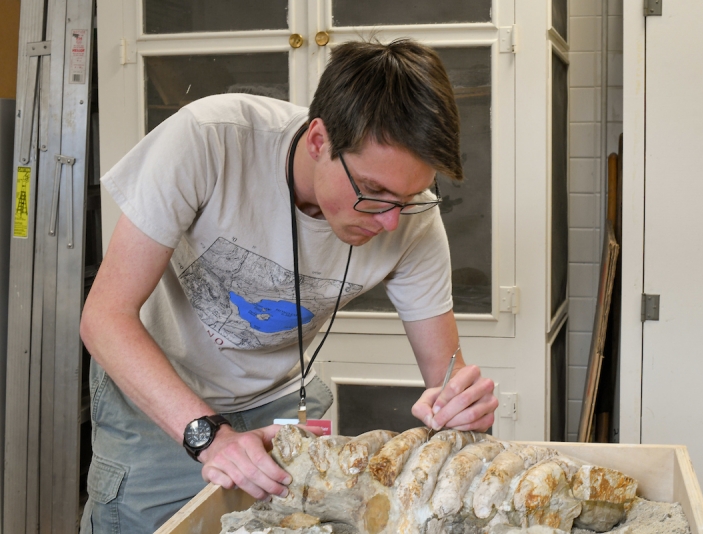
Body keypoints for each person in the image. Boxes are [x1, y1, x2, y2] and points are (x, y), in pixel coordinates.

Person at [79, 39, 498, 533]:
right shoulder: (209, 139)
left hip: (280, 400)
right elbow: (105, 318)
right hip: (159, 392)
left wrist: (461, 407)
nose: (390, 222)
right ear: (319, 140)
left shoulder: (411, 220)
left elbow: (446, 376)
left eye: (409, 197)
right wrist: (209, 436)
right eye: (375, 192)